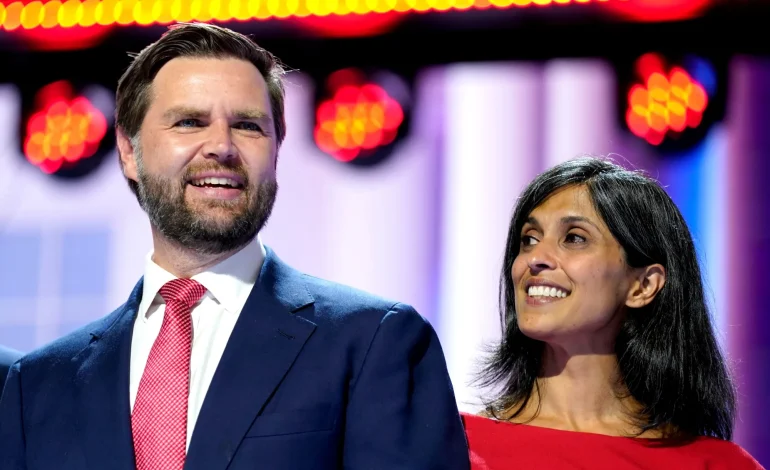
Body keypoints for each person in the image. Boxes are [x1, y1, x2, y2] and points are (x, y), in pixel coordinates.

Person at [0, 23, 469, 470]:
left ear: (276, 149)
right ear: (128, 151)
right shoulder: (37, 384)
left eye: (248, 126)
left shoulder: (374, 342)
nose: (221, 146)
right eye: (189, 122)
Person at [462, 156, 763, 469]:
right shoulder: (457, 448)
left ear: (643, 286)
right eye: (529, 239)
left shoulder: (718, 465)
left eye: (574, 238)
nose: (535, 258)